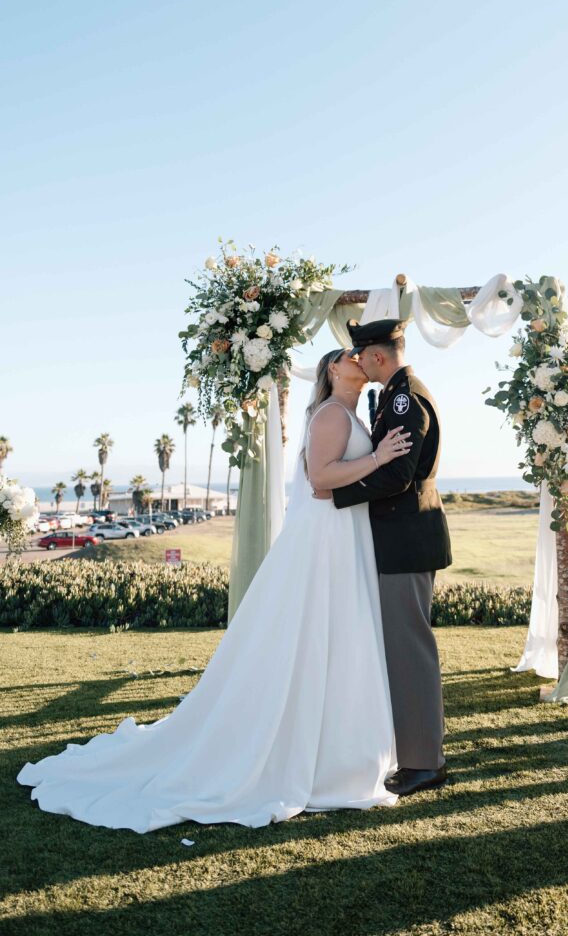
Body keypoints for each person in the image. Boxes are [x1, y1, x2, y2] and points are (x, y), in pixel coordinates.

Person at [16, 350, 412, 832]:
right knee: (313, 634)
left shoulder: (353, 413)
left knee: (336, 640)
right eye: (350, 356)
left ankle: (336, 750)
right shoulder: (331, 414)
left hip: (343, 539)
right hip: (325, 542)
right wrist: (378, 457)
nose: (360, 360)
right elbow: (321, 482)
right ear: (333, 370)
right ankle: (313, 755)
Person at [329, 318, 452, 797]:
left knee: (409, 651)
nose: (357, 362)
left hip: (405, 540)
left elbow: (399, 474)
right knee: (400, 649)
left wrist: (333, 495)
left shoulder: (405, 398)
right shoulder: (396, 394)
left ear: (377, 356)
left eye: (361, 355)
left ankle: (425, 763)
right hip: (401, 538)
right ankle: (415, 754)